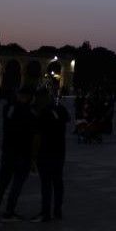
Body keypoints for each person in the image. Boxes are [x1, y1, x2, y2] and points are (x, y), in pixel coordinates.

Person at [0, 88, 35, 222]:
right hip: (22, 152)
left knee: (2, 182)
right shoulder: (29, 112)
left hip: (8, 151)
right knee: (17, 184)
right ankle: (9, 211)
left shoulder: (8, 108)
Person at [31, 90, 69, 222]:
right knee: (58, 182)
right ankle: (57, 211)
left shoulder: (42, 114)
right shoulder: (61, 109)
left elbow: (37, 136)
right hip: (60, 152)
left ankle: (45, 212)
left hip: (46, 153)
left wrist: (33, 156)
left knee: (46, 184)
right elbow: (67, 119)